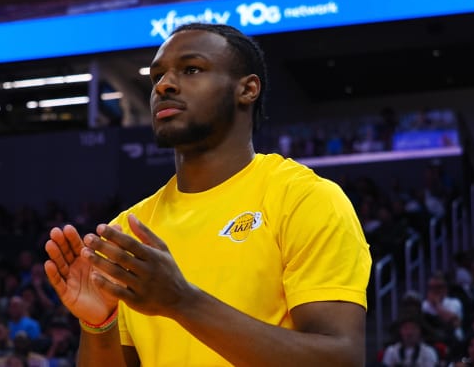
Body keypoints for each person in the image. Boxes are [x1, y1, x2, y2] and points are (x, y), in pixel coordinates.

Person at [43, 23, 372, 366]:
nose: (164, 85)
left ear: (247, 89)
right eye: (157, 76)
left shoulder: (304, 199)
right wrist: (98, 325)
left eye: (191, 69)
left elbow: (341, 358)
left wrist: (183, 301)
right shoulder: (128, 229)